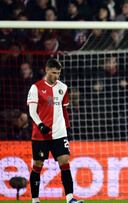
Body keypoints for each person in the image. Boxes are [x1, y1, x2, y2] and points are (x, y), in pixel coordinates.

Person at [27, 58, 83, 203]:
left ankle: (70, 198)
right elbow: (32, 112)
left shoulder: (63, 87)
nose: (56, 76)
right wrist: (40, 125)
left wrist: (68, 128)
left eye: (58, 73)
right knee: (38, 165)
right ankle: (35, 199)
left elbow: (64, 110)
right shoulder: (36, 87)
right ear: (46, 70)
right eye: (53, 73)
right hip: (41, 135)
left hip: (59, 133)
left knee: (65, 161)